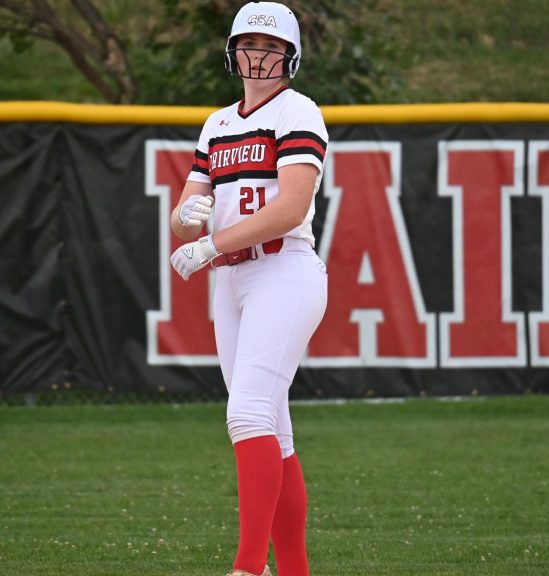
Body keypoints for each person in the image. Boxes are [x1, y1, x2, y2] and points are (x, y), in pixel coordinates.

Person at [168, 3, 329, 576]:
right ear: (233, 51)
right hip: (233, 279)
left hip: (283, 268)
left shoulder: (297, 109)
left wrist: (210, 243)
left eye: (271, 46)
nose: (258, 55)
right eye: (249, 44)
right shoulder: (217, 124)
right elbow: (182, 219)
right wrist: (186, 218)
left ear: (290, 56)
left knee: (247, 415)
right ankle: (294, 571)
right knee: (272, 430)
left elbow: (291, 208)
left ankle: (247, 567)